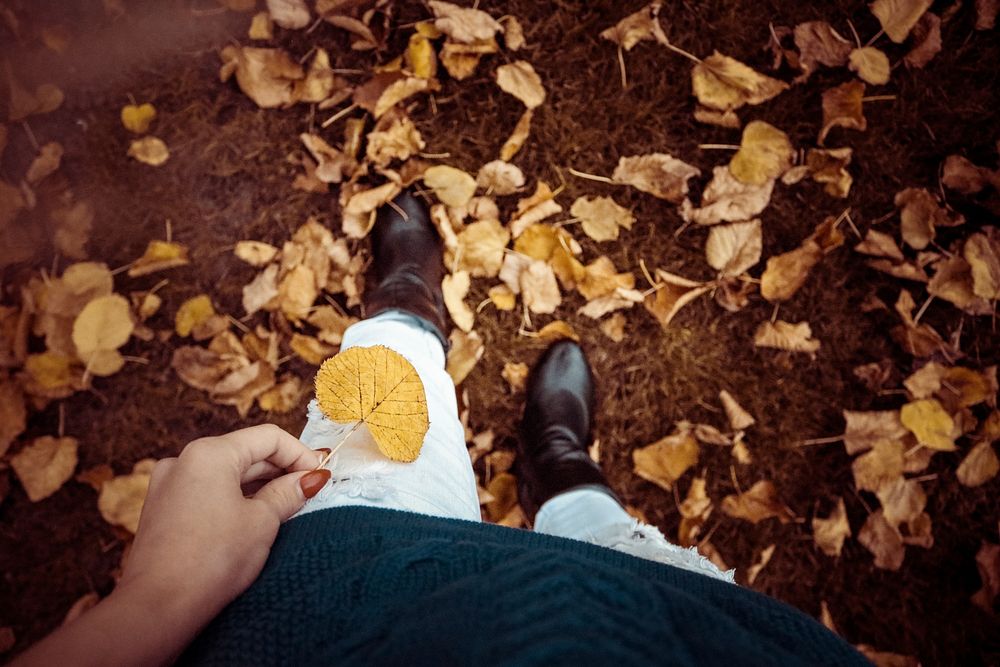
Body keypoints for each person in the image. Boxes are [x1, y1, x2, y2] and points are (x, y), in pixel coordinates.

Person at [16, 193, 866, 666]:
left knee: (392, 383)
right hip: (674, 626)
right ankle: (560, 471)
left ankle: (407, 300)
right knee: (606, 536)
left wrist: (158, 601)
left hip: (346, 588)